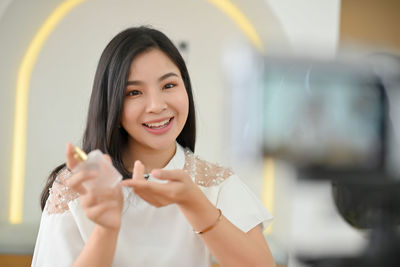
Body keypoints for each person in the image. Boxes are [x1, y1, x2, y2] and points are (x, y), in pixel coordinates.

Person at [32, 26, 275, 267]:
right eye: (134, 92)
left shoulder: (215, 184)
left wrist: (195, 203)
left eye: (168, 85)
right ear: (111, 105)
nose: (156, 105)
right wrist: (106, 230)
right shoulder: (80, 186)